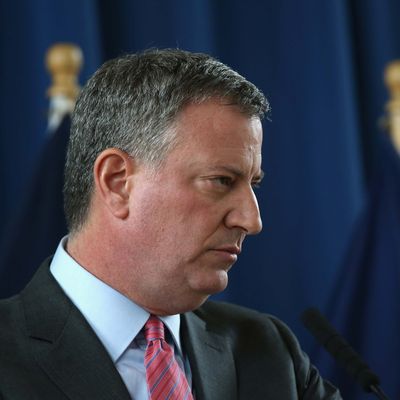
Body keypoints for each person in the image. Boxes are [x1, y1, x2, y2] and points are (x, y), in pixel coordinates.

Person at [0, 49, 341, 399]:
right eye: (222, 181)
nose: (252, 221)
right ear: (118, 182)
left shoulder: (269, 352)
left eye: (252, 185)